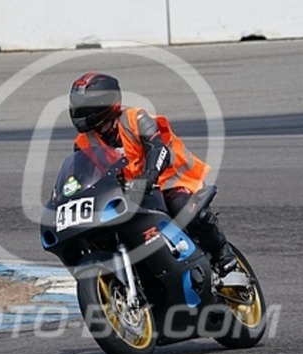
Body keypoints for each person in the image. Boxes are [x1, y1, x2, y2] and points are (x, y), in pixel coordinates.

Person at [68, 71, 237, 276]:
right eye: (76, 104)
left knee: (184, 209)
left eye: (84, 105)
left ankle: (224, 255)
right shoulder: (83, 142)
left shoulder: (136, 118)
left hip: (169, 181)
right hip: (126, 193)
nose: (78, 110)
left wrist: (148, 177)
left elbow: (158, 149)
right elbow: (81, 176)